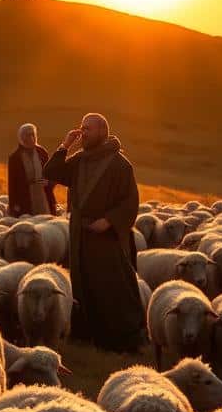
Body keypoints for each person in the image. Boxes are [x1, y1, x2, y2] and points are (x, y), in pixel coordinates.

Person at [43, 113, 146, 352]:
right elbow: (52, 172)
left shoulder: (120, 164)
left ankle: (121, 339)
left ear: (102, 131)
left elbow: (130, 202)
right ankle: (85, 335)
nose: (83, 132)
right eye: (82, 128)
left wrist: (109, 220)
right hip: (80, 233)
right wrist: (65, 145)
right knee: (82, 282)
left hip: (105, 236)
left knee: (111, 283)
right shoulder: (80, 159)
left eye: (88, 129)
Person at [7, 123, 57, 217]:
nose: (30, 137)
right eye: (27, 135)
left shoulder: (41, 152)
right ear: (21, 137)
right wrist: (13, 205)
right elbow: (12, 183)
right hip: (25, 198)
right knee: (29, 223)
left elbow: (51, 173)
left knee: (46, 222)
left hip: (43, 196)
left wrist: (49, 182)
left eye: (32, 134)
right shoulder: (15, 157)